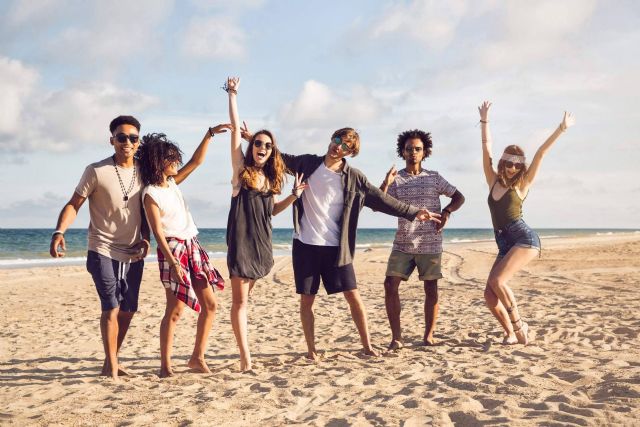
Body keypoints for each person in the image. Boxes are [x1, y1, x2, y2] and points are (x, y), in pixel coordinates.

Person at [242, 122, 442, 360]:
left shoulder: (354, 178)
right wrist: (251, 139)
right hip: (305, 244)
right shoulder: (307, 164)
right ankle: (311, 351)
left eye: (346, 147)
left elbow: (381, 200)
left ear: (350, 152)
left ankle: (367, 346)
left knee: (353, 296)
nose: (339, 148)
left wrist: (413, 212)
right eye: (338, 141)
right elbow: (277, 157)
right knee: (307, 300)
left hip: (337, 248)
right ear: (332, 139)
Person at [49, 115, 150, 380]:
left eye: (133, 138)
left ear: (138, 142)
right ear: (112, 140)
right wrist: (59, 231)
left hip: (133, 252)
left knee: (128, 309)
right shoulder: (96, 170)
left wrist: (147, 236)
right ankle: (112, 367)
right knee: (111, 306)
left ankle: (110, 362)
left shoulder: (145, 171)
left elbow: (150, 207)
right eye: (121, 137)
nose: (127, 142)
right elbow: (74, 204)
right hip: (101, 247)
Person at [225, 77, 307, 372]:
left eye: (268, 146)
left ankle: (244, 351)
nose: (262, 147)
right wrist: (232, 95)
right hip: (241, 244)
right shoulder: (241, 171)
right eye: (258, 143)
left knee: (246, 299)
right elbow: (235, 130)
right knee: (240, 303)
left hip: (262, 244)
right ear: (252, 147)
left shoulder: (272, 179)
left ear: (272, 151)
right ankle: (245, 358)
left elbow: (271, 211)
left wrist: (294, 197)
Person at [478, 101, 575, 345]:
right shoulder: (492, 180)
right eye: (509, 163)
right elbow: (486, 148)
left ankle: (520, 326)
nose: (512, 168)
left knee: (498, 281)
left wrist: (561, 129)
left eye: (517, 164)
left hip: (523, 239)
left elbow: (541, 152)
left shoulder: (522, 184)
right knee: (489, 295)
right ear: (503, 163)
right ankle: (510, 332)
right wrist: (485, 120)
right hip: (504, 242)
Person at [137, 127, 229, 378]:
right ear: (158, 162)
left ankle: (197, 357)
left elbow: (196, 162)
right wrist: (174, 263)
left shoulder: (172, 183)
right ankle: (165, 366)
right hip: (173, 250)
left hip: (192, 245)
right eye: (171, 158)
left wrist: (209, 134)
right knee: (175, 311)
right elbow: (157, 233)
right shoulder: (150, 193)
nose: (177, 161)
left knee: (210, 304)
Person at [379, 129, 465, 350]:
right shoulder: (396, 179)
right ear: (402, 152)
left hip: (430, 243)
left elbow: (459, 197)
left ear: (425, 152)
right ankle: (397, 338)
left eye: (418, 149)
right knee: (390, 285)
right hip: (403, 243)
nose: (413, 152)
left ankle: (429, 336)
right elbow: (379, 203)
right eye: (409, 149)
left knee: (431, 289)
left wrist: (446, 212)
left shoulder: (433, 178)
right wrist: (386, 183)